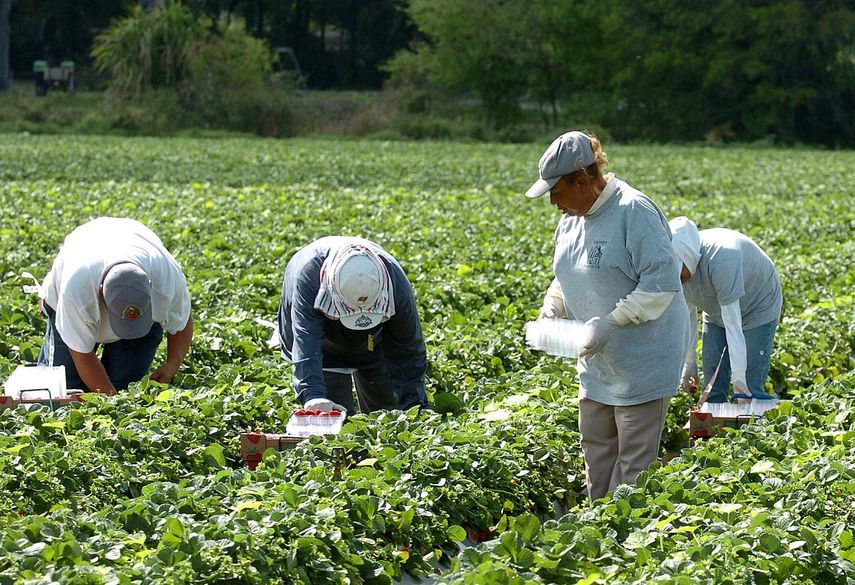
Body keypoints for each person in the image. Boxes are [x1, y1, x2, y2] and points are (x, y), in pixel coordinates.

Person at [526, 131, 688, 502]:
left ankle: (624, 545)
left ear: (582, 181)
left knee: (633, 466)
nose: (553, 201)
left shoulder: (634, 212)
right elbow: (567, 274)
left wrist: (611, 322)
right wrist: (553, 306)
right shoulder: (571, 217)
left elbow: (661, 284)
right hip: (597, 362)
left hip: (642, 363)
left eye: (557, 192)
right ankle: (593, 536)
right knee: (596, 454)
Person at [38, 217, 193, 395]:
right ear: (101, 293)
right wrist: (112, 402)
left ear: (151, 289)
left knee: (126, 384)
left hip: (133, 237)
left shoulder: (167, 280)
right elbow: (81, 355)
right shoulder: (77, 291)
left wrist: (172, 364)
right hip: (83, 255)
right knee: (65, 389)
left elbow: (182, 320)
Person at [277, 236, 430, 414]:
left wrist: (414, 404)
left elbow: (408, 348)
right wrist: (313, 395)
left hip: (373, 341)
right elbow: (306, 340)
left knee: (388, 413)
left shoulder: (395, 283)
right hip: (324, 346)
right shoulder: (309, 278)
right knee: (333, 419)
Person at [669, 216, 783, 403]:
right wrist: (689, 365)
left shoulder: (721, 258)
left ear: (687, 257)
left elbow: (732, 322)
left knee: (750, 388)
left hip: (757, 305)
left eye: (679, 272)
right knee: (712, 386)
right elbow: (687, 315)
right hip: (716, 310)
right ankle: (714, 428)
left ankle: (754, 424)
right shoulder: (675, 270)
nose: (677, 278)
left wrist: (739, 379)